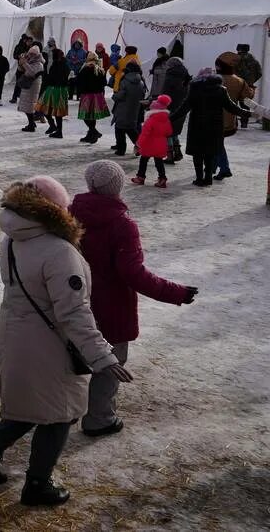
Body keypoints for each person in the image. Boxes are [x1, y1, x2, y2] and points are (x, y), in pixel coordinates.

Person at [0, 177, 130, 507]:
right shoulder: (59, 251)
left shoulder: (12, 238)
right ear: (55, 209)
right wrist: (103, 356)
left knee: (34, 401)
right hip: (48, 342)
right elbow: (74, 314)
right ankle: (38, 484)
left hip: (16, 332)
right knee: (60, 413)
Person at [69, 161, 197, 437]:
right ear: (117, 187)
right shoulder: (121, 224)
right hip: (111, 306)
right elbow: (133, 273)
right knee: (109, 362)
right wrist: (177, 293)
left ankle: (64, 413)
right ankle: (99, 418)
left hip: (74, 301)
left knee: (74, 357)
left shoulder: (71, 213)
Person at [169, 67, 249, 187]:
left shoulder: (195, 88)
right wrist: (245, 113)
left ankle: (199, 178)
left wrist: (170, 118)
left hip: (197, 125)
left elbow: (184, 107)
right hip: (214, 126)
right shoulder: (221, 89)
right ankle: (208, 178)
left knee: (198, 153)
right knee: (210, 153)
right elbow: (231, 107)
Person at [214, 52, 255, 179]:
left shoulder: (214, 79)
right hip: (230, 118)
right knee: (217, 142)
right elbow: (248, 96)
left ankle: (224, 168)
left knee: (216, 143)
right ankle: (213, 166)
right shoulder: (239, 81)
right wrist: (252, 88)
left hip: (213, 117)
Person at [133, 95, 173, 186]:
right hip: (161, 144)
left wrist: (138, 144)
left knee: (143, 160)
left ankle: (140, 177)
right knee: (159, 162)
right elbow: (169, 132)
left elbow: (144, 134)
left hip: (149, 145)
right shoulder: (166, 119)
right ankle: (162, 179)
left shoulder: (150, 120)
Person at [111, 61, 146, 156]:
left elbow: (121, 95)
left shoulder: (125, 81)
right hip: (135, 108)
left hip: (123, 108)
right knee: (131, 129)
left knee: (119, 129)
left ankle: (121, 150)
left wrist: (114, 96)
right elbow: (142, 95)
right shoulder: (141, 81)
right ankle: (140, 146)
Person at [35, 48, 70, 139]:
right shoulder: (57, 64)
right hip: (53, 89)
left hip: (57, 89)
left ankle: (58, 131)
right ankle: (54, 127)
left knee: (55, 111)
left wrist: (46, 78)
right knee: (43, 108)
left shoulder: (62, 65)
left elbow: (57, 77)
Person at [75, 52, 110, 143]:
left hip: (87, 95)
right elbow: (104, 83)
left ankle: (93, 132)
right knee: (92, 116)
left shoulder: (85, 68)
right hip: (97, 95)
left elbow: (79, 82)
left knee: (85, 116)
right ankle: (91, 134)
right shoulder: (99, 69)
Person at [16, 46, 45, 132]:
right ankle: (31, 123)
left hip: (33, 87)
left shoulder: (39, 64)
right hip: (27, 85)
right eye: (30, 53)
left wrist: (25, 63)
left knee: (29, 106)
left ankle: (31, 125)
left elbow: (32, 72)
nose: (31, 55)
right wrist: (21, 63)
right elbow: (21, 70)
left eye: (33, 54)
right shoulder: (30, 61)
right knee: (27, 106)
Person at [234, 43, 262, 128]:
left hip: (235, 84)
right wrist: (251, 81)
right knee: (245, 104)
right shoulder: (254, 61)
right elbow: (259, 73)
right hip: (248, 85)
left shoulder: (234, 59)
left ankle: (233, 123)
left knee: (232, 104)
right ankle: (244, 123)